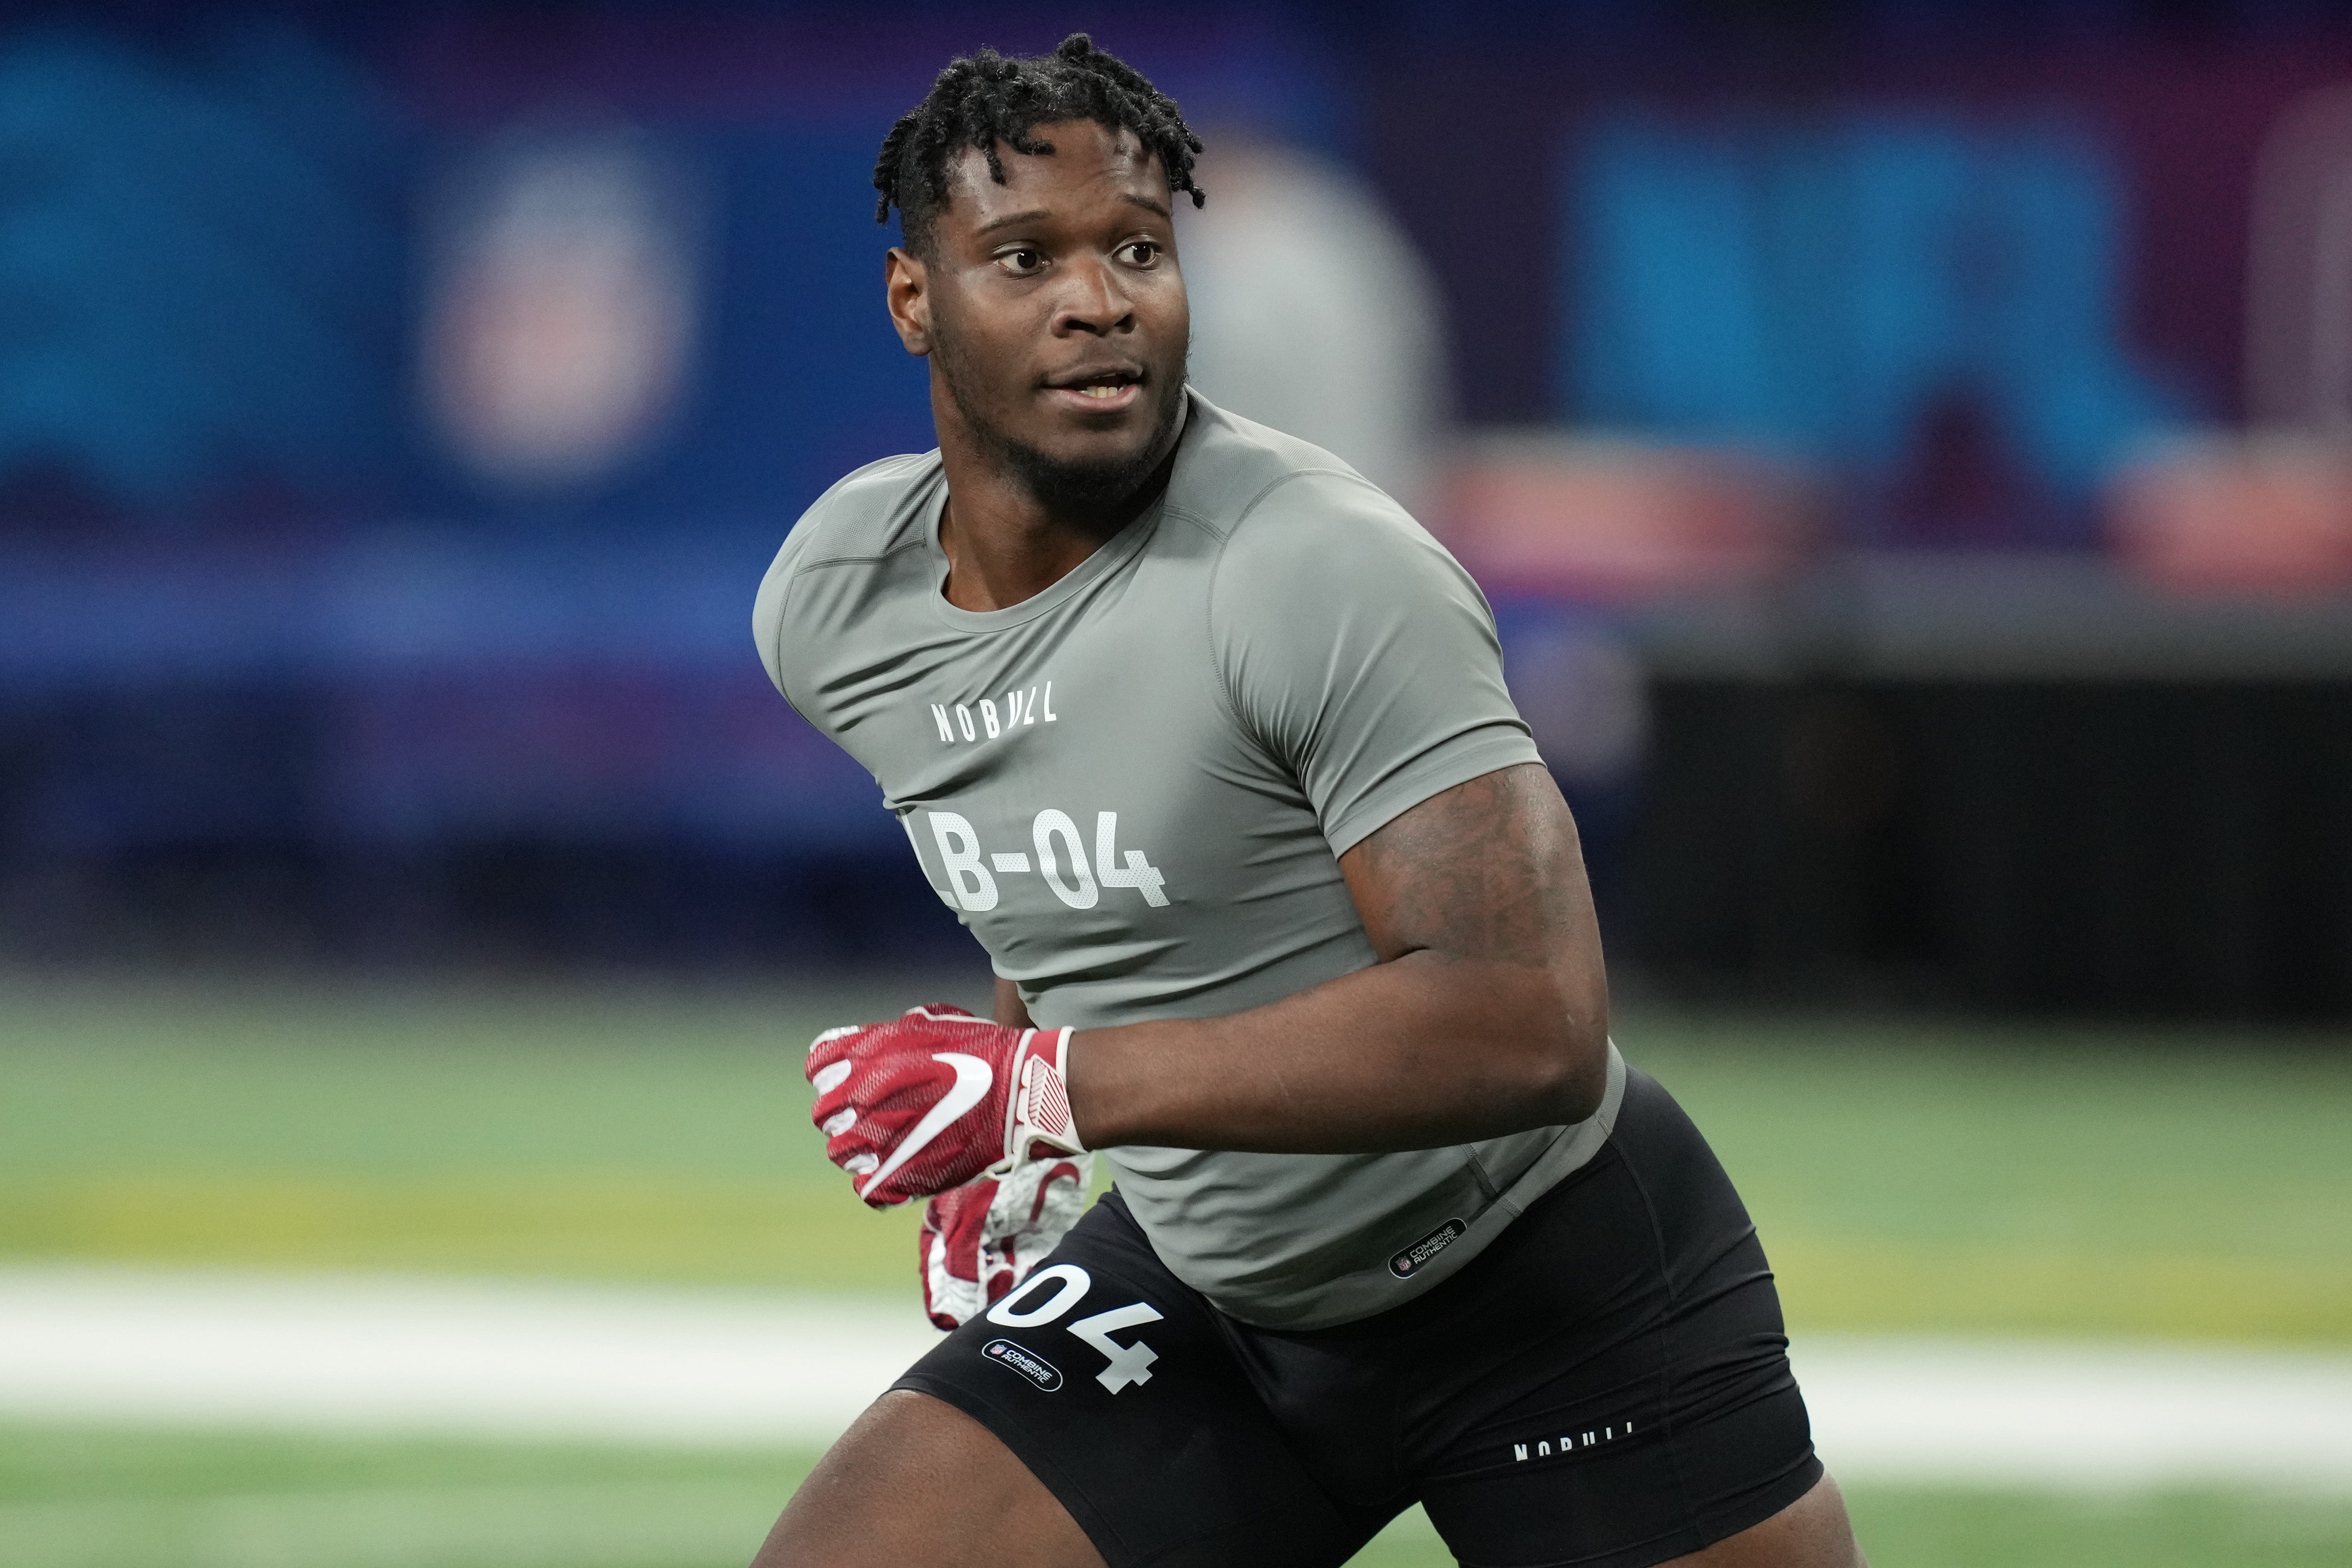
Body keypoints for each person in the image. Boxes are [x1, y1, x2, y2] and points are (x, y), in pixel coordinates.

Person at [749, 34, 1868, 1568]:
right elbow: (1041, 828)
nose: (1100, 298)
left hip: (1540, 1284)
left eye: (1137, 247)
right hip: (1215, 1282)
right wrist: (1025, 1128)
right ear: (913, 301)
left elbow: (1529, 1020)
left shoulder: (1318, 564)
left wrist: (1047, 1089)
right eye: (1024, 256)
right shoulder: (839, 600)